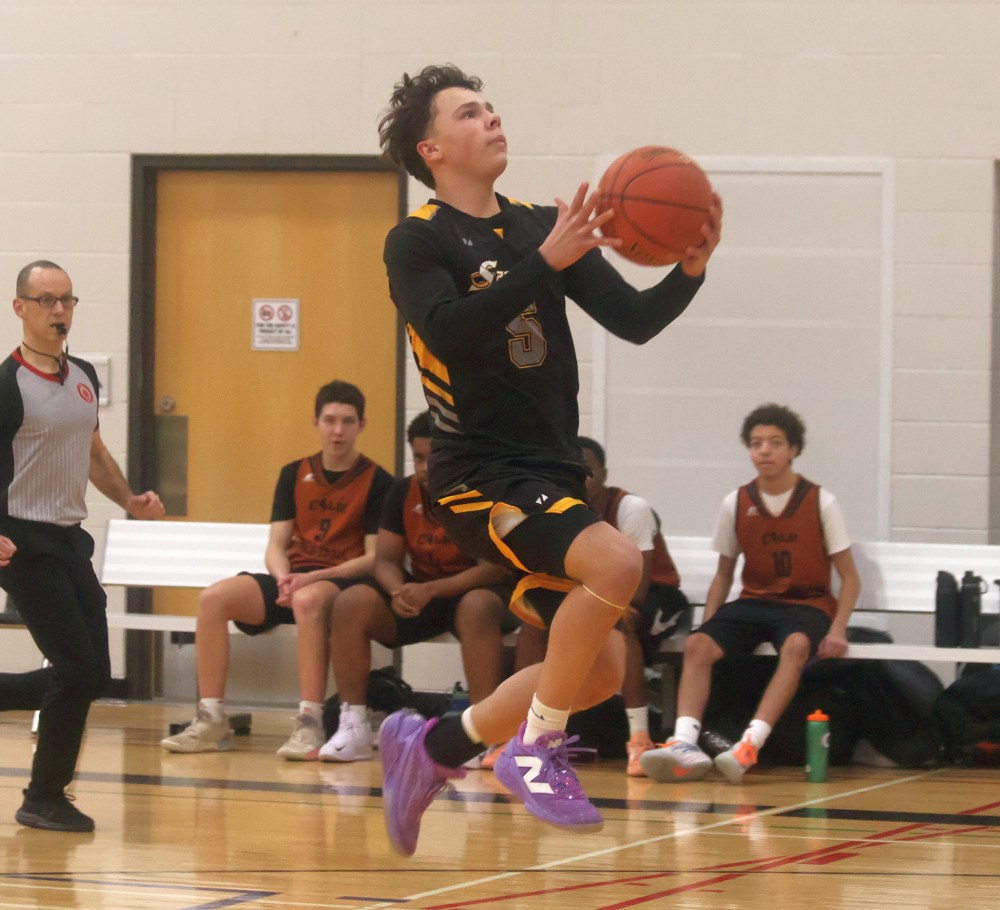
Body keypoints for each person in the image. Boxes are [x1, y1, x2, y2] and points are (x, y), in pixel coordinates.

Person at [376, 63, 721, 854]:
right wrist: (546, 263)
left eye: (492, 107)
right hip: (476, 474)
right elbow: (448, 332)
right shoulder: (418, 238)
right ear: (432, 149)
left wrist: (689, 270)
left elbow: (634, 320)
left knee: (597, 667)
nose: (492, 118)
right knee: (618, 561)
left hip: (551, 470)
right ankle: (533, 748)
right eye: (470, 112)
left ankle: (436, 744)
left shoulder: (540, 224)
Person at [0, 260, 166, 833]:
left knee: (91, 674)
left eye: (66, 300)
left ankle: (44, 790)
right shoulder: (7, 385)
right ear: (20, 307)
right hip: (23, 543)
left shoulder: (83, 376)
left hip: (70, 540)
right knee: (75, 670)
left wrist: (129, 498)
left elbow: (93, 453)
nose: (59, 311)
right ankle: (43, 796)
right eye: (46, 300)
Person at [160, 380, 393, 759]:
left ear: (361, 425)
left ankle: (310, 724)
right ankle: (211, 719)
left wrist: (310, 579)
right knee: (214, 598)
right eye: (330, 420)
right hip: (295, 577)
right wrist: (283, 577)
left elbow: (372, 557)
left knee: (306, 600)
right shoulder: (293, 473)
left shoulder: (378, 481)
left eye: (347, 422)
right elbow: (275, 544)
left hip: (340, 582)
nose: (338, 431)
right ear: (316, 422)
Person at [641, 403, 861, 784]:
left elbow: (850, 577)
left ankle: (748, 744)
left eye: (775, 442)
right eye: (756, 443)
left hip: (806, 603)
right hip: (755, 601)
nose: (764, 451)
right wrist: (709, 625)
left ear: (793, 449)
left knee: (795, 646)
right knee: (697, 645)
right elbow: (723, 575)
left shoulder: (820, 501)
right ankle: (684, 743)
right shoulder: (736, 502)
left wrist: (838, 628)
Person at [322, 410, 514, 763]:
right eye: (419, 457)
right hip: (422, 596)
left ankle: (486, 733)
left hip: (476, 594)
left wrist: (433, 590)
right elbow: (385, 560)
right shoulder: (401, 491)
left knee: (476, 606)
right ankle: (354, 725)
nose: (425, 467)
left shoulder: (482, 492)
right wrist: (398, 590)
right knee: (351, 602)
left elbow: (493, 569)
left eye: (434, 458)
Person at [516, 436, 690, 776]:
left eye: (587, 470)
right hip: (594, 592)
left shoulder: (630, 508)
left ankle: (639, 738)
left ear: (604, 474)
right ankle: (520, 736)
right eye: (572, 470)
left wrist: (596, 608)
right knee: (533, 623)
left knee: (619, 621)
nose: (580, 478)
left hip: (655, 596)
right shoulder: (553, 510)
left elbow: (637, 589)